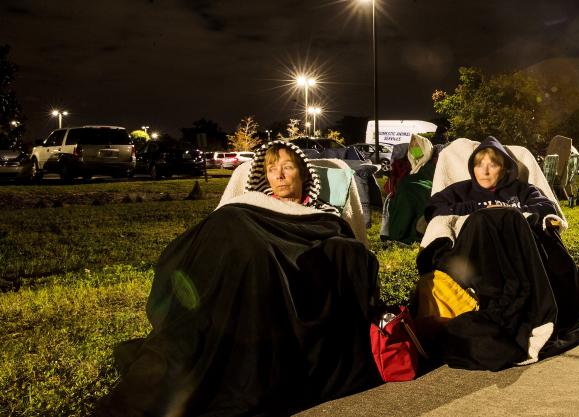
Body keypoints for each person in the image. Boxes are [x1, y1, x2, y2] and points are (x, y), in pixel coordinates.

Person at [99, 140, 381, 417]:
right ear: (263, 176)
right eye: (272, 169)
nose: (279, 176)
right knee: (230, 229)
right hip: (239, 258)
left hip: (274, 268)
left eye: (287, 167)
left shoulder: (321, 213)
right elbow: (228, 222)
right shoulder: (251, 206)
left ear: (304, 173)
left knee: (256, 254)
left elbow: (344, 244)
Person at [417, 136, 579, 371]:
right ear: (471, 167)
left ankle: (531, 315)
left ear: (505, 167)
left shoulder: (522, 190)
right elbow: (436, 209)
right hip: (482, 260)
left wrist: (510, 213)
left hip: (518, 254)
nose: (485, 171)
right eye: (479, 164)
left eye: (493, 164)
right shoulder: (460, 191)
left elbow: (545, 207)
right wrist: (478, 210)